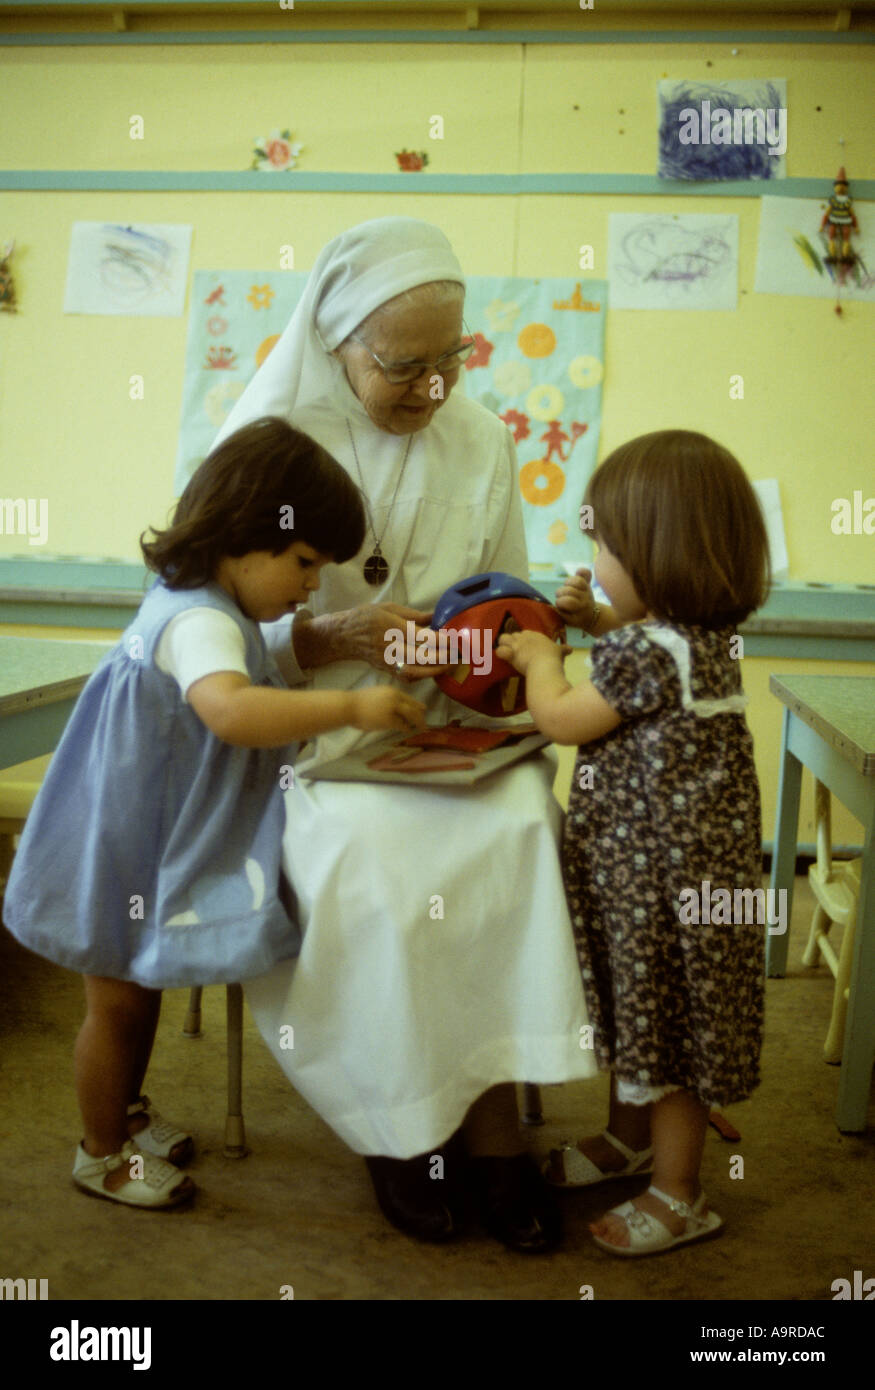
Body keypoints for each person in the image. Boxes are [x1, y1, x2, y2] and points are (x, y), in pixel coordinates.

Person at [207, 216, 600, 1252]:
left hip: (455, 737)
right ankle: (402, 1128)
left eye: (450, 359)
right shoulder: (266, 445)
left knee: (520, 832)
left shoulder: (481, 437)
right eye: (402, 365)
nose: (432, 389)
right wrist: (322, 634)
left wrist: (503, 664)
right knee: (379, 867)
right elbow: (206, 630)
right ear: (336, 343)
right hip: (316, 743)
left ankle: (492, 1136)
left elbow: (513, 604)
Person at [3, 418, 425, 1210]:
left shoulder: (202, 600)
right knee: (118, 1006)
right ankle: (101, 1152)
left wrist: (319, 650)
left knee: (139, 987)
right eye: (304, 564)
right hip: (124, 843)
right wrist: (353, 706)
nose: (310, 585)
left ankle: (122, 1117)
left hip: (145, 833)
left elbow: (261, 654)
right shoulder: (197, 621)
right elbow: (230, 709)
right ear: (243, 532)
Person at [496, 429, 770, 1256]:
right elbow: (638, 649)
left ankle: (679, 1193)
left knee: (668, 1034)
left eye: (604, 543)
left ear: (657, 552)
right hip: (667, 877)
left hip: (656, 882)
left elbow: (561, 717)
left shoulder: (647, 654)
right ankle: (628, 1139)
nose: (594, 553)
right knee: (639, 1010)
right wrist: (600, 617)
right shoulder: (697, 637)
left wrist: (545, 654)